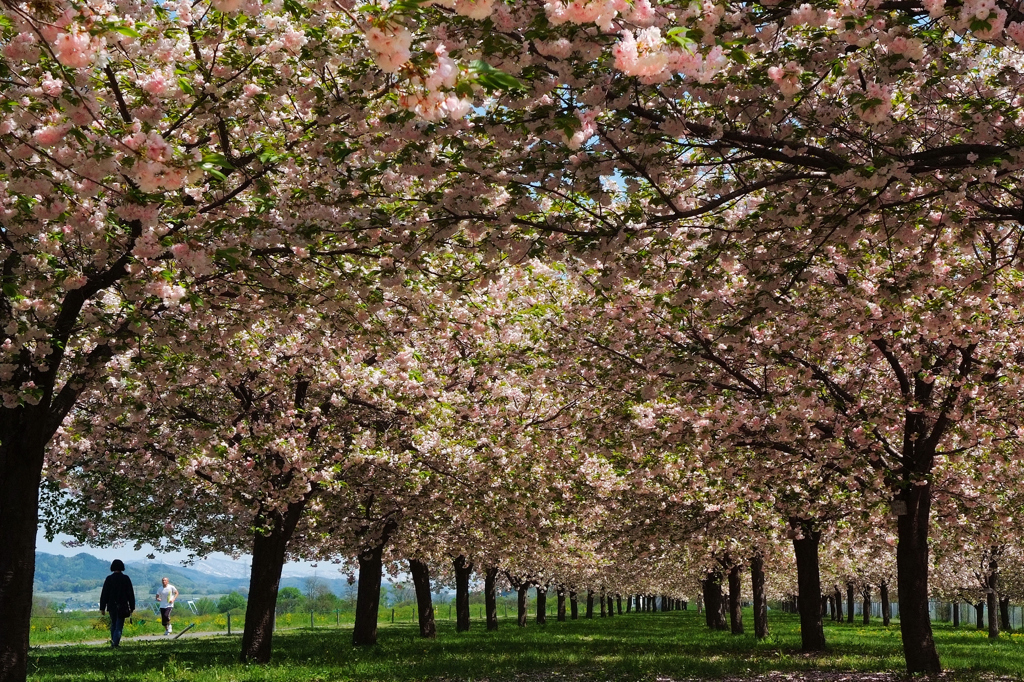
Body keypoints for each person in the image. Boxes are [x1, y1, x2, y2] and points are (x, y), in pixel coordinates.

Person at [99, 560, 135, 648]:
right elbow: (130, 593)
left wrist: (102, 607)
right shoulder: (126, 578)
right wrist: (132, 606)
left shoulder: (109, 579)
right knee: (119, 625)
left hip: (111, 605)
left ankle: (113, 641)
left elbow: (104, 594)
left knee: (114, 624)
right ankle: (115, 643)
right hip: (122, 605)